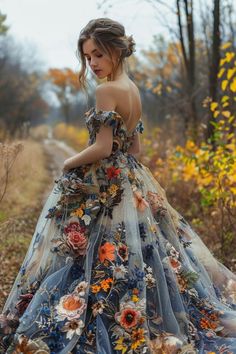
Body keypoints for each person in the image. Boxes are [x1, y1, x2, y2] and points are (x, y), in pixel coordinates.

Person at [0, 17, 236, 354]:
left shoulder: (106, 90)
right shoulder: (133, 89)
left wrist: (68, 163)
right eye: (87, 57)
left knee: (94, 252)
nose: (92, 64)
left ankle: (105, 319)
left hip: (107, 181)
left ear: (115, 50)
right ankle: (136, 316)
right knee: (137, 254)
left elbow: (103, 147)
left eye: (98, 54)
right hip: (131, 179)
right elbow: (135, 150)